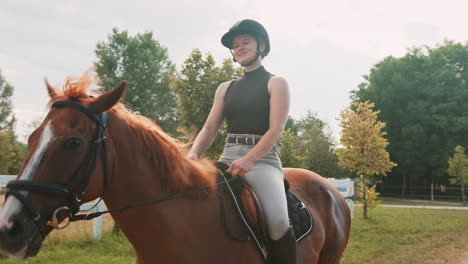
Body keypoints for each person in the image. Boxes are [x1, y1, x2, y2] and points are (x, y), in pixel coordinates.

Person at [187, 19, 296, 264]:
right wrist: (192, 156)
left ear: (262, 46)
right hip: (227, 156)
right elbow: (209, 128)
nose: (239, 48)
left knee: (278, 221)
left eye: (245, 42)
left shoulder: (276, 83)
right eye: (235, 45)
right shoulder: (225, 88)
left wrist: (249, 159)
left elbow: (276, 128)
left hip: (262, 161)